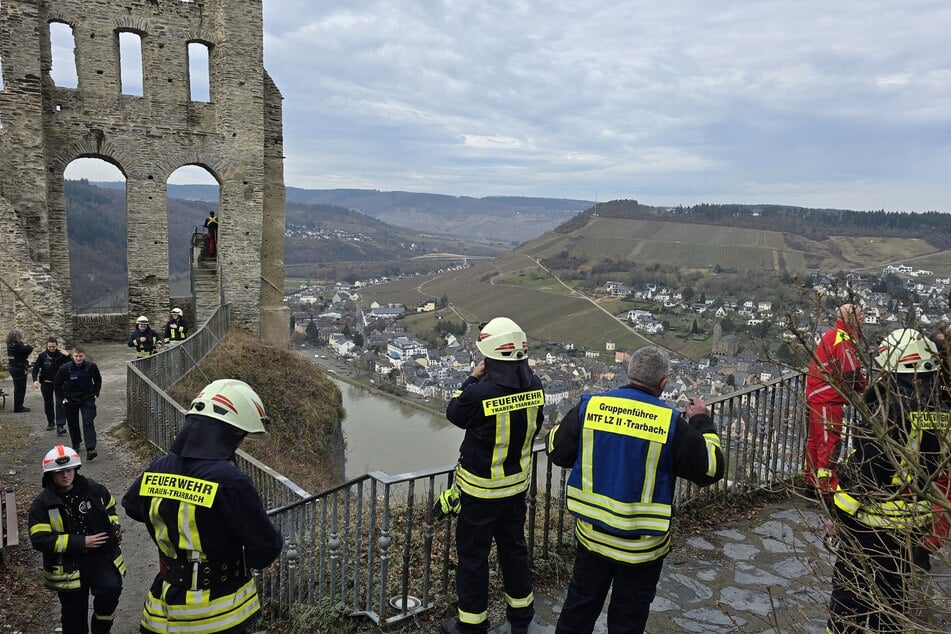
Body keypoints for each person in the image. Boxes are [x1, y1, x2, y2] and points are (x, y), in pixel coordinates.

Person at [547, 346, 724, 634]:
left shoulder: (591, 407)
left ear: (628, 374)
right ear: (663, 384)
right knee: (627, 622)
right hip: (642, 549)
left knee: (577, 612)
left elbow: (556, 450)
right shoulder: (670, 424)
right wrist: (701, 421)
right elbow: (711, 468)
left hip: (593, 538)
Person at [122, 379, 283, 634]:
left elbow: (132, 505)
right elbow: (266, 547)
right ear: (231, 434)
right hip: (217, 612)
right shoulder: (230, 481)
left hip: (162, 606)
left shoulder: (159, 466)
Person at [826, 329, 945, 632]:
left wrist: (839, 514)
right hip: (914, 519)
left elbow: (866, 467)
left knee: (849, 595)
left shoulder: (887, 404)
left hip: (870, 521)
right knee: (892, 599)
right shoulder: (941, 403)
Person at [440, 317, 544, 634]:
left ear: (490, 358)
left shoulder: (479, 395)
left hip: (480, 494)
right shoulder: (536, 386)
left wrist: (472, 379)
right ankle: (522, 620)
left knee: (473, 560)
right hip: (516, 492)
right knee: (514, 553)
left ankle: (471, 626)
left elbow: (454, 412)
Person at [28, 444, 125, 634]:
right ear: (50, 475)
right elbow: (40, 539)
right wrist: (81, 542)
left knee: (111, 589)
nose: (65, 475)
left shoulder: (93, 488)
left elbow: (111, 508)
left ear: (75, 469)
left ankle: (101, 629)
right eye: (59, 472)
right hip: (68, 564)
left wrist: (114, 527)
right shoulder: (42, 504)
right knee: (73, 617)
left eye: (68, 470)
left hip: (99, 556)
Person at [804, 303, 867, 497]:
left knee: (816, 442)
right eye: (861, 315)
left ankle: (811, 482)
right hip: (828, 399)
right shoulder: (843, 339)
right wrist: (866, 387)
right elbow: (851, 374)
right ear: (851, 319)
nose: (864, 319)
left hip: (819, 396)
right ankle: (827, 489)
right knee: (829, 444)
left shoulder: (834, 334)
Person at [52, 346, 103, 461]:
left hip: (87, 398)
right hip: (71, 399)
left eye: (80, 356)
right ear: (72, 356)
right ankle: (76, 443)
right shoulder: (65, 368)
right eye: (76, 356)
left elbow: (98, 379)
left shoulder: (91, 366)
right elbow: (56, 384)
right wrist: (62, 399)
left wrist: (96, 392)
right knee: (73, 422)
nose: (78, 358)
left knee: (88, 422)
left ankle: (91, 449)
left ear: (84, 356)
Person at [32, 336, 71, 432]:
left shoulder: (61, 355)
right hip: (46, 382)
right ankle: (50, 422)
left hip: (59, 383)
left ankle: (60, 425)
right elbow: (35, 369)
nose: (52, 348)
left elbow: (72, 364)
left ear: (57, 346)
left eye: (53, 347)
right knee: (48, 403)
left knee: (60, 403)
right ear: (47, 346)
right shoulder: (42, 356)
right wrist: (35, 380)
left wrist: (68, 355)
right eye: (50, 347)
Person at [6, 328, 34, 412]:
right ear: (17, 336)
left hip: (14, 367)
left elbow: (23, 353)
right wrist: (29, 346)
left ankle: (19, 406)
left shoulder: (11, 345)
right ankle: (18, 407)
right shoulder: (16, 345)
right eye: (21, 335)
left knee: (19, 388)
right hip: (18, 369)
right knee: (20, 388)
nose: (22, 336)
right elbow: (27, 350)